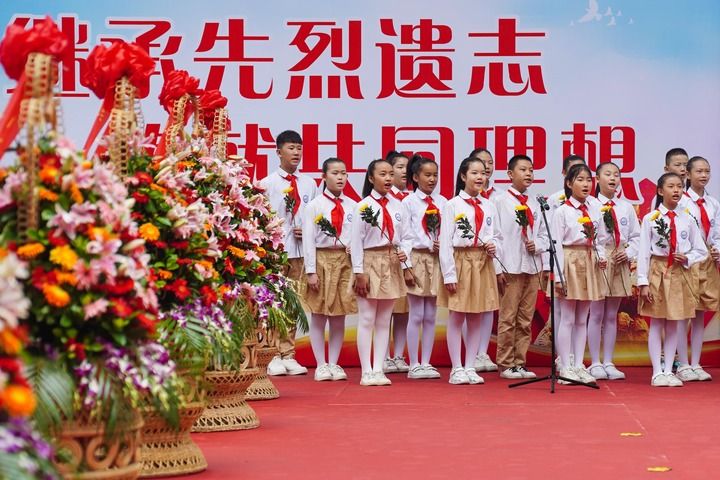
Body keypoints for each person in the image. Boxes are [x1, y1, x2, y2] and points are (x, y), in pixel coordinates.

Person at [638, 173, 707, 387]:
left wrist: (687, 258)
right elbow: (643, 253)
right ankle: (657, 372)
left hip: (679, 273)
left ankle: (669, 370)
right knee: (657, 321)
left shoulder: (688, 218)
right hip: (658, 271)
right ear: (660, 191)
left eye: (679, 186)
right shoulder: (651, 219)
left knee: (674, 322)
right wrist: (643, 282)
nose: (676, 190)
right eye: (671, 186)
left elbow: (701, 250)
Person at [438, 156, 502, 385]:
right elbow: (445, 242)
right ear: (463, 176)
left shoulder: (489, 206)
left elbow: (497, 236)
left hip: (482, 262)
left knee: (477, 315)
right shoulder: (452, 205)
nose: (480, 177)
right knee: (457, 316)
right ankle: (456, 368)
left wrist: (494, 246)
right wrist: (449, 274)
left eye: (483, 173)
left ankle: (470, 365)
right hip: (461, 261)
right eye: (474, 173)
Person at [259, 130, 317, 376]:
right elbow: (261, 219)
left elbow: (316, 216)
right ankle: (271, 354)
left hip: (300, 252)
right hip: (276, 252)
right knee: (274, 302)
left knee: (294, 303)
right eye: (291, 148)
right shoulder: (266, 184)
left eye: (299, 148)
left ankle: (288, 354)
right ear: (278, 152)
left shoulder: (309, 183)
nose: (296, 153)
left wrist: (308, 230)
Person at [351, 159, 413, 386]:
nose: (388, 178)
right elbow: (356, 241)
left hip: (391, 262)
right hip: (370, 262)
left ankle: (379, 368)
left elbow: (407, 236)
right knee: (367, 318)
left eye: (390, 174)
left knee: (384, 319)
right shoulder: (363, 206)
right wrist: (359, 271)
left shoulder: (399, 206)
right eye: (382, 174)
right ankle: (366, 371)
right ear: (371, 178)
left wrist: (405, 253)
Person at [551, 164, 609, 384]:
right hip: (570, 261)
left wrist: (601, 256)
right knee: (567, 318)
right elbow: (556, 244)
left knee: (582, 318)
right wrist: (558, 276)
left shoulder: (594, 209)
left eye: (588, 180)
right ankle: (565, 366)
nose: (586, 184)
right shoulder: (562, 212)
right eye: (580, 180)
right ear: (569, 183)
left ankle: (578, 365)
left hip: (589, 260)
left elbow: (600, 238)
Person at [302, 158, 357, 382]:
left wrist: (354, 251)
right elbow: (308, 239)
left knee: (339, 315)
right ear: (324, 176)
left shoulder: (353, 205)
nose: (340, 177)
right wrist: (311, 271)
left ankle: (334, 362)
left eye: (343, 173)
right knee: (319, 314)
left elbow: (357, 236)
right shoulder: (314, 206)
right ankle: (320, 364)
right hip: (322, 260)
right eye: (335, 173)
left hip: (344, 262)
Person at [494, 155, 548, 379]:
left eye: (531, 170)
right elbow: (495, 236)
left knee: (526, 318)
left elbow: (544, 234)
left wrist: (539, 245)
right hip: (511, 266)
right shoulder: (500, 202)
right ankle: (505, 363)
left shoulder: (536, 203)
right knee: (508, 317)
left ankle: (520, 362)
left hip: (532, 266)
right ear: (510, 174)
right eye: (523, 169)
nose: (528, 174)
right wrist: (498, 268)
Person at [586, 162, 640, 380]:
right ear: (597, 179)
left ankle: (608, 361)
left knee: (612, 315)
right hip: (599, 259)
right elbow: (587, 235)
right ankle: (595, 362)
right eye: (607, 174)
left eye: (616, 175)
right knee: (596, 313)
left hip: (620, 258)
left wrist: (628, 253)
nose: (612, 178)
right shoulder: (590, 205)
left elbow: (636, 237)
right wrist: (599, 255)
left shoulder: (626, 207)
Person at [400, 155, 447, 379]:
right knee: (416, 313)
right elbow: (405, 236)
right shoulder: (408, 202)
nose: (432, 179)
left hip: (436, 260)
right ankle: (413, 364)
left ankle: (426, 362)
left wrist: (441, 244)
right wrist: (406, 267)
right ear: (416, 177)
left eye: (435, 175)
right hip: (417, 258)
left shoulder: (443, 202)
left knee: (430, 315)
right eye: (427, 175)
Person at [675, 156, 720, 382]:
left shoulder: (713, 203)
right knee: (684, 314)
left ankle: (696, 363)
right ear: (688, 174)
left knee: (700, 314)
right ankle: (682, 363)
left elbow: (717, 232)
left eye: (707, 171)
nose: (704, 175)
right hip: (688, 262)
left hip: (708, 263)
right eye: (699, 171)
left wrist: (717, 249)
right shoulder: (681, 201)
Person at [384, 150, 411, 373]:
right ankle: (383, 356)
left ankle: (399, 355)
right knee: (385, 311)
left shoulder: (411, 199)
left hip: (407, 261)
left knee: (404, 312)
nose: (404, 171)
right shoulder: (384, 199)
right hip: (386, 262)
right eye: (399, 167)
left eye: (406, 167)